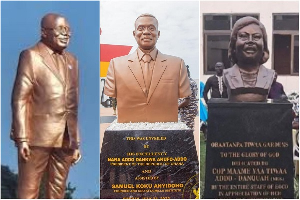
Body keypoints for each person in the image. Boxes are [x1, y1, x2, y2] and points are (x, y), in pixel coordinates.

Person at [11, 13, 81, 199]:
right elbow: (19, 99)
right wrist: (22, 138)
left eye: (68, 30)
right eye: (60, 29)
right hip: (36, 137)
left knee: (58, 193)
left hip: (66, 138)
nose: (66, 34)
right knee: (29, 191)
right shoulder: (31, 56)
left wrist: (76, 141)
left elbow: (72, 105)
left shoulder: (72, 61)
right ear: (44, 32)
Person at [104, 13, 191, 123]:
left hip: (166, 121)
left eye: (151, 28)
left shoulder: (177, 64)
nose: (146, 32)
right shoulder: (116, 65)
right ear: (134, 33)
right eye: (141, 28)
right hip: (128, 122)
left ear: (158, 34)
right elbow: (110, 92)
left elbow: (185, 93)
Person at [223, 16, 275, 102]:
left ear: (264, 44)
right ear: (234, 43)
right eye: (243, 36)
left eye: (256, 37)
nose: (250, 41)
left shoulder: (270, 74)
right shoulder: (228, 74)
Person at [178, 65, 198, 129]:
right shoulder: (190, 81)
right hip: (189, 110)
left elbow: (187, 101)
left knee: (186, 130)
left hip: (187, 111)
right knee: (188, 130)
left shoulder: (187, 83)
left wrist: (176, 107)